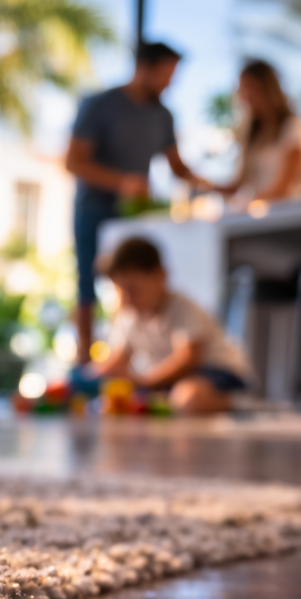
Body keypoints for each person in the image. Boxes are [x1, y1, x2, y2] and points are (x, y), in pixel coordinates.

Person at [65, 42, 210, 363]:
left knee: (137, 284)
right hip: (95, 209)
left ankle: (127, 361)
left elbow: (179, 168)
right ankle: (85, 362)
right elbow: (73, 162)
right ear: (144, 68)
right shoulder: (100, 105)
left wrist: (220, 187)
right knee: (88, 286)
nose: (169, 83)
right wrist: (123, 182)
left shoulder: (163, 115)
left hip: (136, 214)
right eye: (166, 75)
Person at [87, 237, 252, 414]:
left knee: (188, 398)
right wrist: (86, 377)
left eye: (133, 290)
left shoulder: (182, 308)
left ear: (160, 276)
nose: (126, 300)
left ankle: (237, 402)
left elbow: (187, 359)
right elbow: (118, 359)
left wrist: (145, 382)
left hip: (216, 371)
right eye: (120, 292)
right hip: (171, 381)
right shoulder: (128, 316)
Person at [212, 59, 301, 205]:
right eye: (242, 90)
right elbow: (238, 184)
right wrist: (204, 185)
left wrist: (246, 205)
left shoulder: (295, 129)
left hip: (288, 214)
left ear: (267, 88)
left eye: (249, 89)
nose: (245, 97)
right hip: (262, 213)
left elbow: (283, 191)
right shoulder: (254, 133)